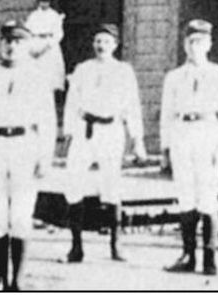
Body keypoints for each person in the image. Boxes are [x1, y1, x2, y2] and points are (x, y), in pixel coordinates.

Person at [0, 20, 57, 291]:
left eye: (18, 41)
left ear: (27, 45)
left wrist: (45, 157)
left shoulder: (37, 78)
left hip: (25, 146)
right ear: (0, 44)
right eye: (7, 41)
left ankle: (17, 282)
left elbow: (47, 121)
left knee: (21, 213)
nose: (11, 46)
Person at [62, 22, 145, 264]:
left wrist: (137, 139)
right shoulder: (83, 69)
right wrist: (68, 132)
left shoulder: (123, 71)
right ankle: (76, 247)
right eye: (98, 41)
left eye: (107, 42)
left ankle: (116, 244)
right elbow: (71, 102)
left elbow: (132, 106)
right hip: (85, 130)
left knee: (111, 184)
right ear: (93, 44)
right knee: (74, 183)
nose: (101, 46)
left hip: (112, 131)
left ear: (115, 45)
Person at [159, 19, 218, 276]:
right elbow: (167, 114)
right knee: (186, 196)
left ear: (209, 44)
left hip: (208, 133)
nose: (195, 47)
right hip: (182, 133)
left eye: (200, 42)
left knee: (208, 195)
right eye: (191, 42)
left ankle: (210, 258)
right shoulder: (174, 77)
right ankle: (188, 255)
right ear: (184, 45)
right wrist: (165, 148)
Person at [25, 0, 67, 102]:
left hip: (49, 48)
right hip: (35, 46)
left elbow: (58, 34)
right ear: (38, 1)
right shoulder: (33, 16)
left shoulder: (54, 16)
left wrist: (46, 47)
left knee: (50, 79)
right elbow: (27, 32)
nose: (44, 3)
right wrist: (32, 49)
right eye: (42, 0)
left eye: (47, 0)